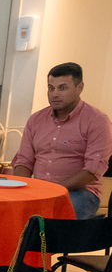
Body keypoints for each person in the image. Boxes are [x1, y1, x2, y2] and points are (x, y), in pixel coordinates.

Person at [11, 62, 112, 221]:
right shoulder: (36, 119)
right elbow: (24, 161)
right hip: (39, 190)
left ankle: (46, 246)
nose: (54, 94)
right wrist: (20, 188)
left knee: (50, 218)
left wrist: (54, 190)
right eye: (51, 88)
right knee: (6, 210)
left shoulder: (97, 121)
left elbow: (93, 171)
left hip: (80, 193)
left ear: (80, 88)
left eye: (62, 88)